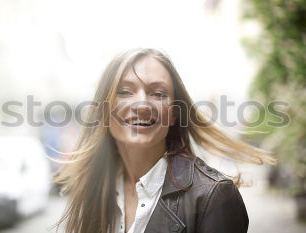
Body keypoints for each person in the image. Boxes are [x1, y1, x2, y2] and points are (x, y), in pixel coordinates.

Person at [52, 48, 277, 233]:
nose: (142, 104)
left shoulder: (214, 197)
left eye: (158, 94)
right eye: (125, 91)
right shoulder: (94, 187)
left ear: (173, 114)